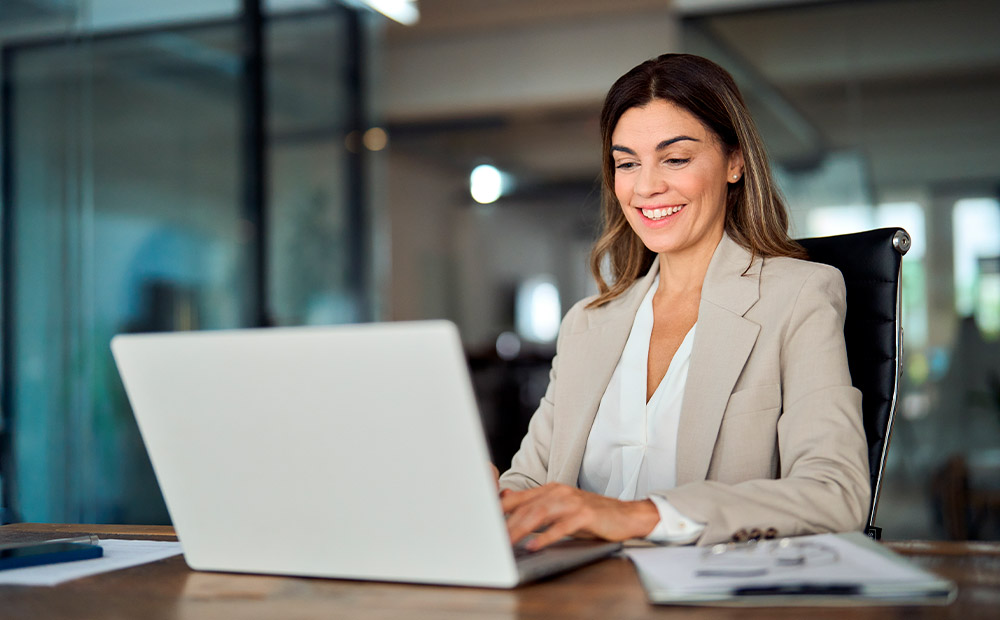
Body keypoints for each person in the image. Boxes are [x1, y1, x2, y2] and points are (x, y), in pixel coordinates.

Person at [496, 54, 870, 549]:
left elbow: (835, 493)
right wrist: (487, 498)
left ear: (734, 162)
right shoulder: (588, 324)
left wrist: (642, 516)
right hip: (581, 593)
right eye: (627, 163)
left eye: (675, 158)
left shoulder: (798, 296)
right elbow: (530, 485)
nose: (646, 186)